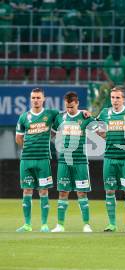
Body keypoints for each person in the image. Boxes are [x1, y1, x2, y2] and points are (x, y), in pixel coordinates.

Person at [97, 87, 125, 232]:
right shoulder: (105, 113)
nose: (115, 100)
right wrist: (105, 135)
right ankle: (112, 224)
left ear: (123, 99)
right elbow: (98, 129)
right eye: (112, 97)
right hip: (109, 157)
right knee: (109, 191)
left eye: (118, 98)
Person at [51, 92, 96, 233]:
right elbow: (52, 133)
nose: (69, 109)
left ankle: (86, 224)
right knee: (63, 192)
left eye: (71, 106)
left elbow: (99, 127)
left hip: (81, 161)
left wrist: (90, 114)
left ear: (77, 103)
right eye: (67, 106)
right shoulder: (60, 117)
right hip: (64, 160)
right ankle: (60, 225)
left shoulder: (84, 117)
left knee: (82, 193)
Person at [15, 88, 59, 232]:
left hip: (43, 159)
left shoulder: (51, 114)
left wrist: (85, 112)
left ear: (43, 99)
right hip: (26, 159)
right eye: (33, 97)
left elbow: (68, 116)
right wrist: (27, 146)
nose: (36, 100)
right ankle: (27, 224)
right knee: (27, 190)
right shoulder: (23, 117)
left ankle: (44, 224)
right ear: (30, 99)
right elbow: (18, 138)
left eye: (38, 97)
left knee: (43, 191)